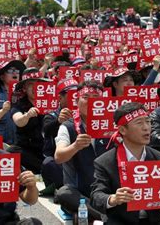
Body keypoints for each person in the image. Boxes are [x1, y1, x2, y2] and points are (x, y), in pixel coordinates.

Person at [90, 102, 160, 224]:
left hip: (153, 222)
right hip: (122, 222)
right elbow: (96, 196)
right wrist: (113, 199)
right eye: (139, 123)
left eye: (148, 121)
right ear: (122, 130)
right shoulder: (105, 162)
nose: (146, 127)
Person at [54, 80, 108, 221]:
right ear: (77, 100)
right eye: (86, 97)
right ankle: (106, 217)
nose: (91, 102)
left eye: (96, 98)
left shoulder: (112, 125)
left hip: (106, 191)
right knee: (64, 193)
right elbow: (58, 157)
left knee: (81, 217)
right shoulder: (68, 127)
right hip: (80, 192)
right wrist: (75, 146)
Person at [41, 78, 78, 193]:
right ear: (60, 98)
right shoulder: (51, 116)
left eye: (78, 94)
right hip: (60, 160)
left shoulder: (85, 114)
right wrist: (58, 121)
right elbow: (46, 131)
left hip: (82, 159)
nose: (76, 98)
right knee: (49, 163)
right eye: (71, 95)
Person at [9, 68, 48, 174]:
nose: (35, 87)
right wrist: (28, 115)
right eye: (31, 84)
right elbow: (18, 121)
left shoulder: (51, 102)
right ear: (24, 88)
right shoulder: (18, 104)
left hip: (47, 149)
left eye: (38, 83)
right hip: (27, 150)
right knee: (12, 151)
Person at [0, 60, 26, 145]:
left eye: (17, 71)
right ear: (2, 77)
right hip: (2, 144)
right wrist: (3, 110)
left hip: (22, 143)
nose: (15, 73)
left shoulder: (25, 95)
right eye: (10, 71)